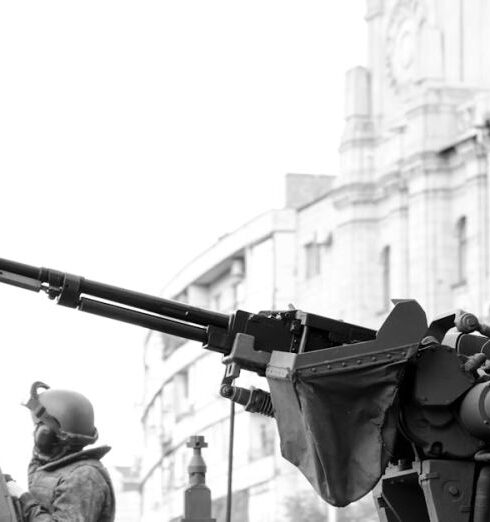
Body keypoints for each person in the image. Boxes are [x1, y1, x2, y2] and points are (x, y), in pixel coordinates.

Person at [6, 381, 115, 521]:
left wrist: (24, 499)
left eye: (39, 427)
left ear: (48, 433)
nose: (34, 434)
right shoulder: (53, 468)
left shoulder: (83, 476)